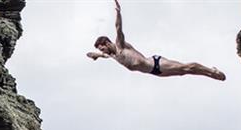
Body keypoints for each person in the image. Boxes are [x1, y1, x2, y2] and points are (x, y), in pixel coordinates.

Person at [87, 0, 226, 81]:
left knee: (186, 67)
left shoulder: (120, 45)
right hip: (153, 72)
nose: (102, 50)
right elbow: (102, 55)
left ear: (106, 43)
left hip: (155, 63)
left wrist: (118, 12)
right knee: (183, 72)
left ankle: (211, 71)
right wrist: (96, 55)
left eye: (101, 47)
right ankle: (210, 73)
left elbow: (118, 27)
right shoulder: (112, 55)